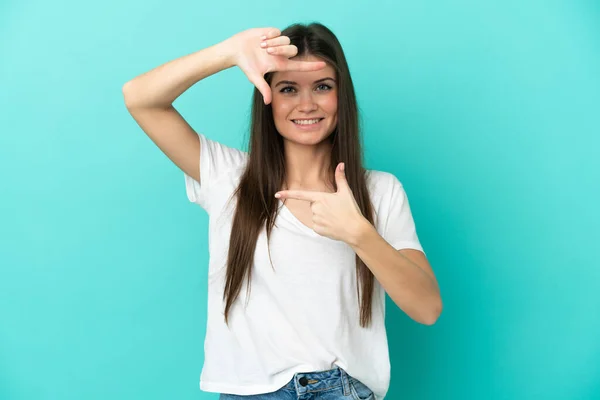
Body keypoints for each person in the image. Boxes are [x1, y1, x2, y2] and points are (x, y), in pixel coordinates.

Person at [123, 22, 442, 400]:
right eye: (288, 89)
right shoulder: (228, 177)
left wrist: (359, 233)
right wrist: (228, 53)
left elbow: (427, 308)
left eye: (323, 87)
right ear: (266, 96)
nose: (306, 105)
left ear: (343, 96)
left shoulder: (380, 190)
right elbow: (140, 98)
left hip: (341, 390)